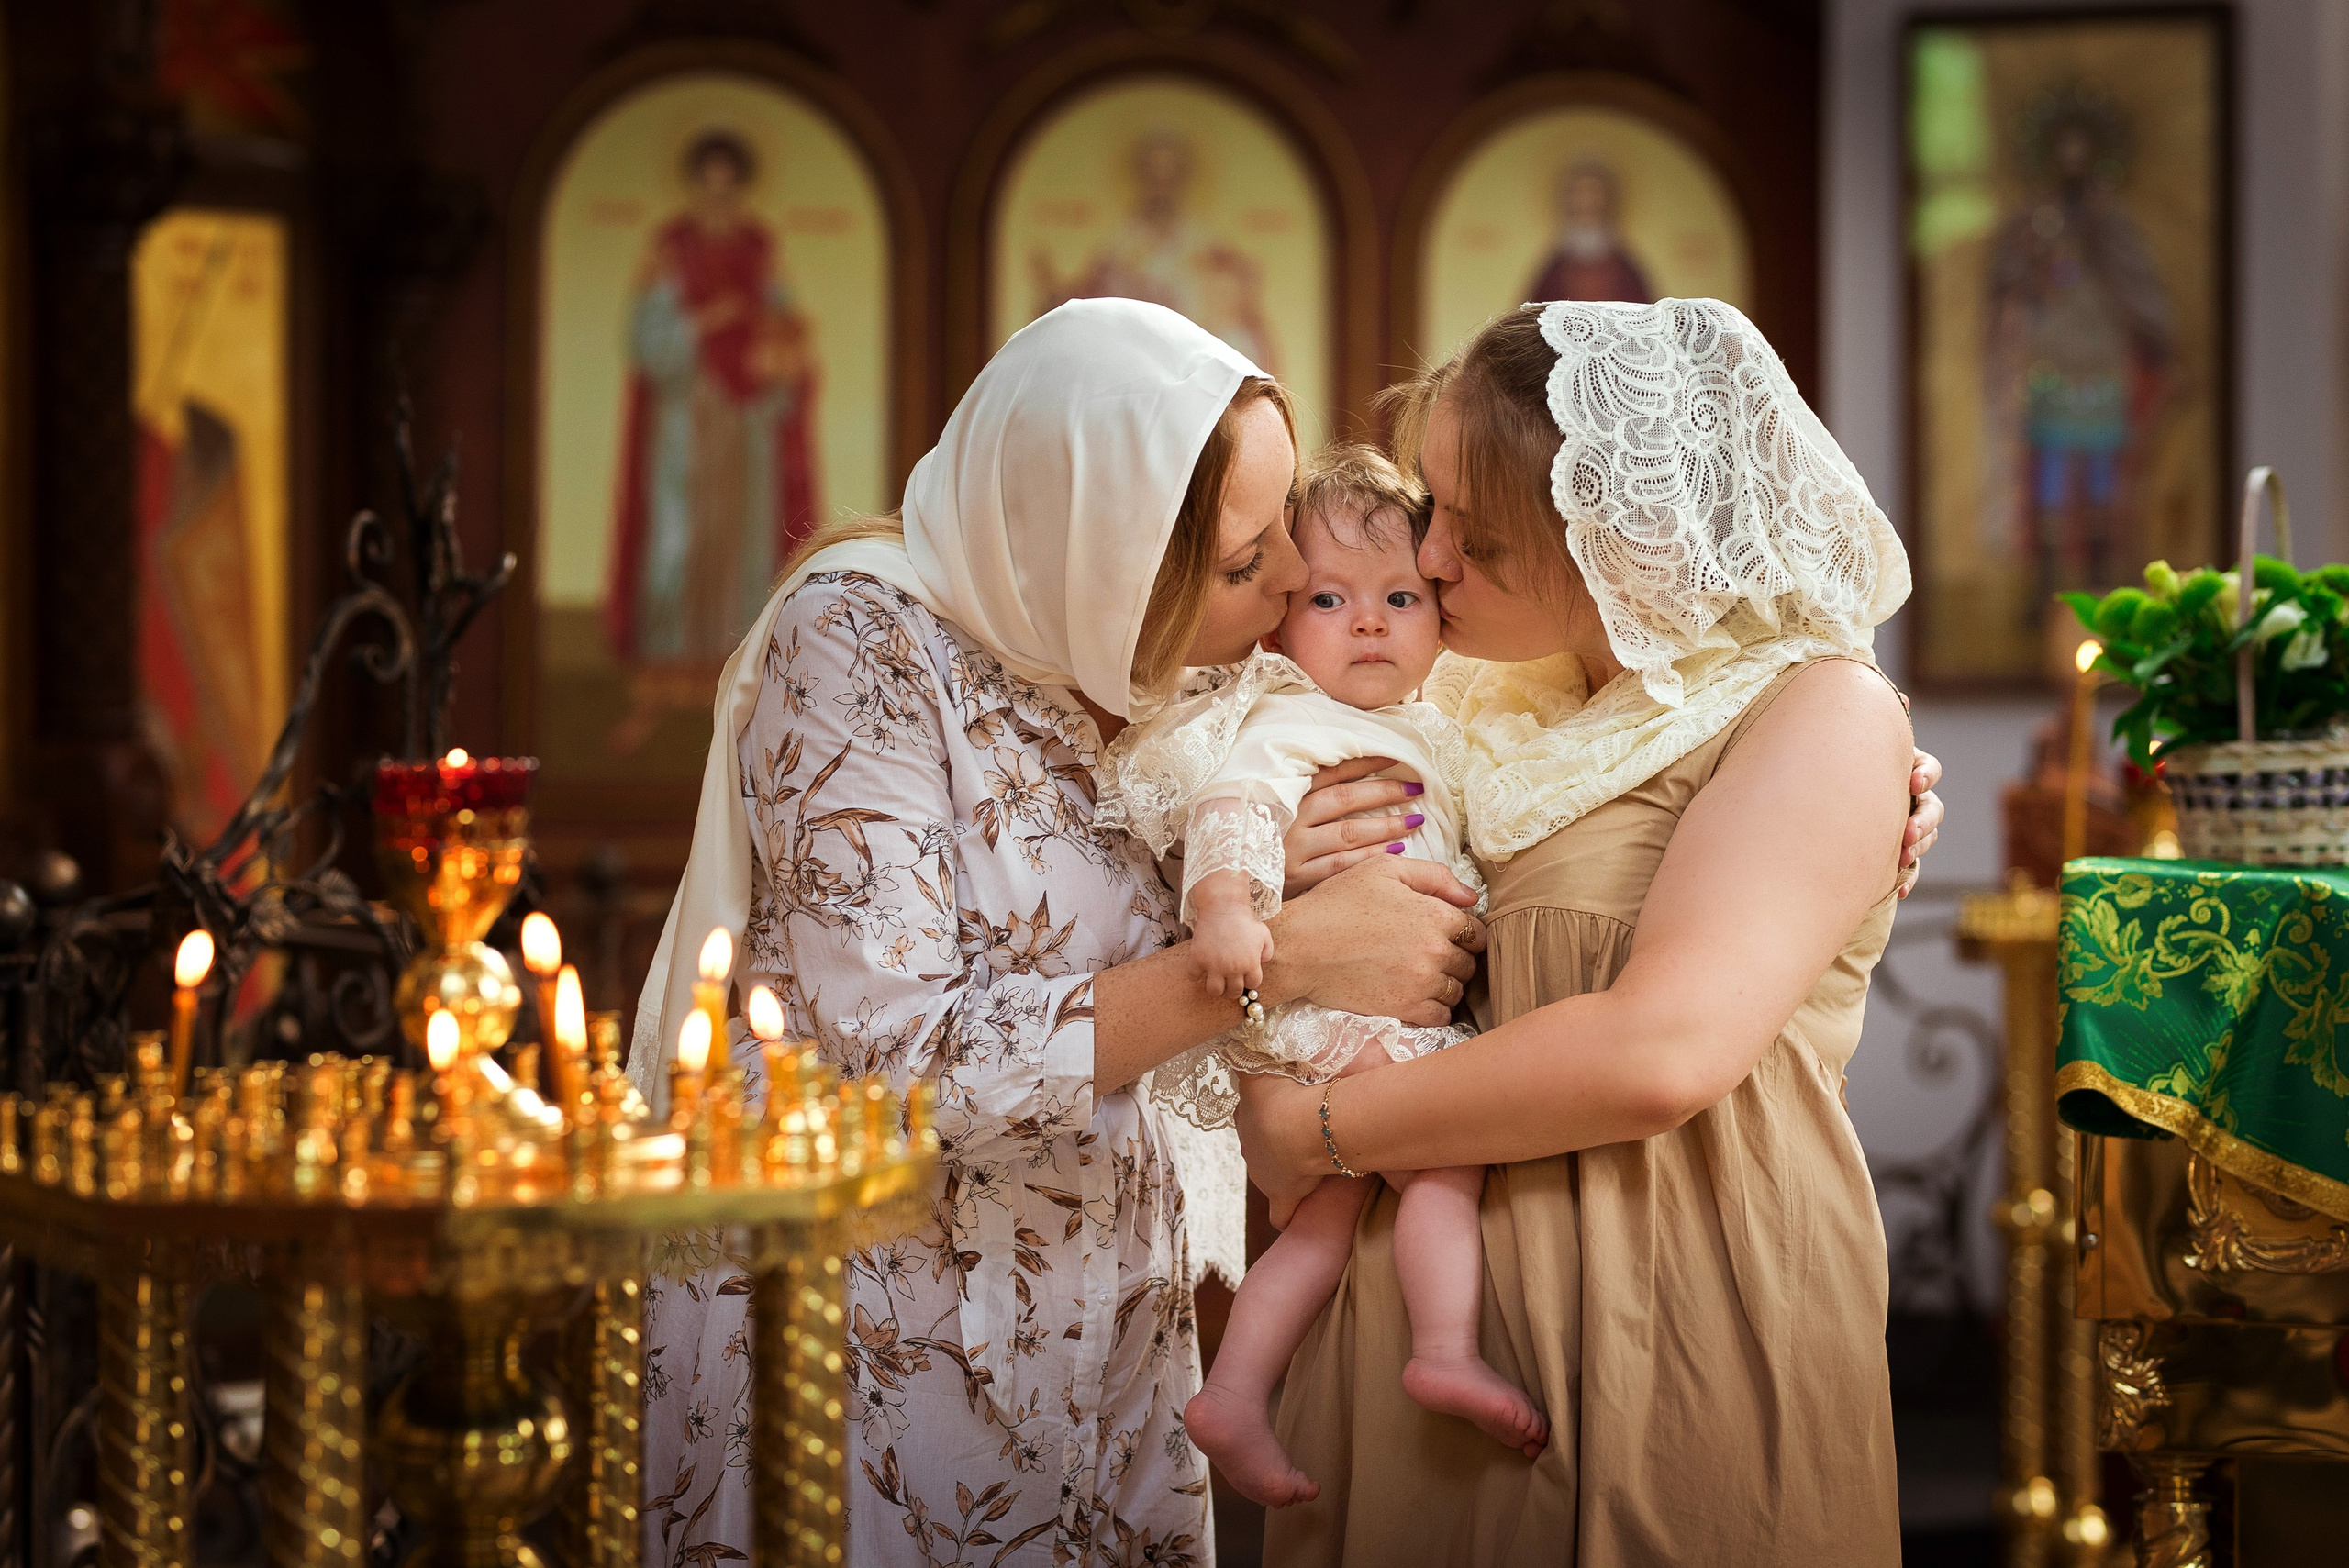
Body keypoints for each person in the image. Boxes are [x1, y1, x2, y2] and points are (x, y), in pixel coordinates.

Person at [628, 298, 1486, 1563]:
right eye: (1247, 565)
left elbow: (1481, 696)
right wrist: (1280, 956)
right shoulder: (863, 640)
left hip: (1094, 1298)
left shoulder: (1183, 660)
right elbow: (892, 1061)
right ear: (1103, 548)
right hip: (872, 1315)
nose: (1293, 590)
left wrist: (1810, 771)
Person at [1240, 299, 1930, 1566]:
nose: (1431, 557)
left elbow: (1657, 1049)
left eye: (1479, 537)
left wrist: (1315, 1130)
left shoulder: (1814, 709)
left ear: (1619, 538)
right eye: (1432, 507)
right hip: (1411, 1346)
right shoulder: (1466, 704)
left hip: (1679, 1308)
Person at [1091, 446, 1538, 1514]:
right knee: (1450, 1154)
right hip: (1331, 1007)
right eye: (1330, 598)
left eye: (1400, 598)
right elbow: (1232, 808)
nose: (1370, 624)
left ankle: (1234, 1391)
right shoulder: (1294, 716)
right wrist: (1232, 909)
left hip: (1356, 1009)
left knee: (1324, 1222)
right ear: (1283, 621)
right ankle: (1445, 1346)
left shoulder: (1433, 726)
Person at [604, 128, 822, 754]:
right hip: (685, 417)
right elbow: (647, 340)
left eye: (730, 183)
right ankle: (663, 684)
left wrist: (776, 353)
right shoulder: (670, 250)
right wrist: (709, 321)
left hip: (745, 420)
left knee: (743, 538)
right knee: (675, 542)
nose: (718, 194)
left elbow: (784, 329)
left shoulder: (761, 248)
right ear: (695, 183)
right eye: (709, 182)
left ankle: (744, 684)